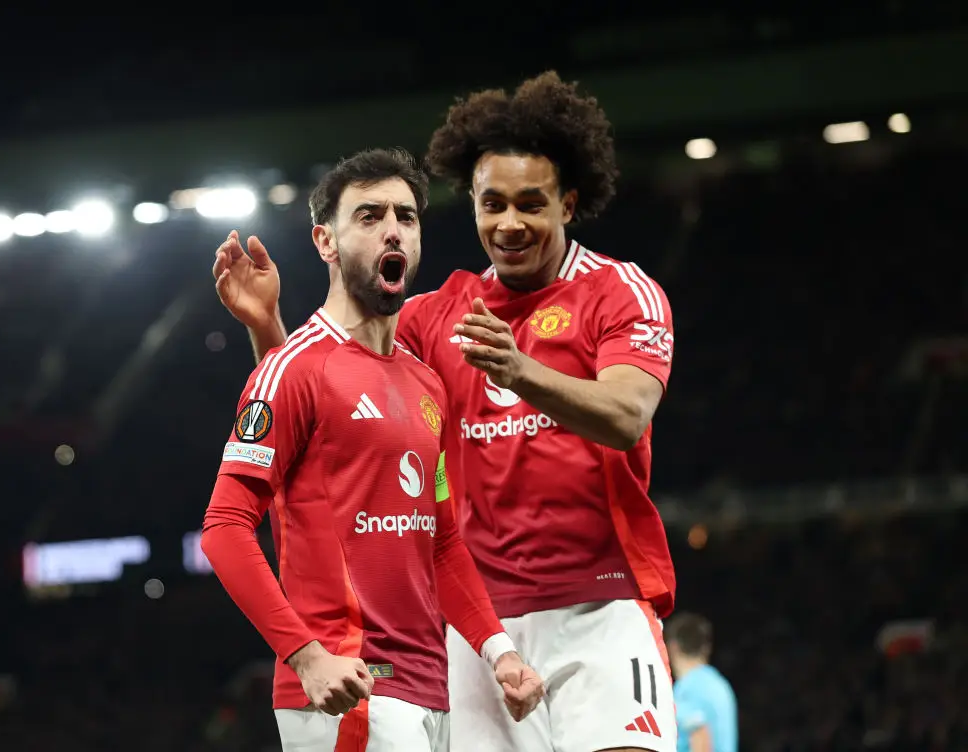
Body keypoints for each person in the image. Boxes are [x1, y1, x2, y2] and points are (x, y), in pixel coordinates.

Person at [213, 72, 678, 752]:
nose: (509, 223)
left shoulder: (618, 292)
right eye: (492, 204)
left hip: (598, 605)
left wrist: (518, 370)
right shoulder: (439, 314)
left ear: (568, 204)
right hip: (475, 629)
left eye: (531, 203)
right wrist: (268, 329)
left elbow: (628, 413)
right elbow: (331, 390)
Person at [201, 147, 544, 752]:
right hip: (350, 687)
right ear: (325, 242)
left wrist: (500, 651)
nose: (393, 229)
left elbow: (440, 542)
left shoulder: (426, 382)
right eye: (369, 216)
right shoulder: (294, 368)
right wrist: (306, 657)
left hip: (429, 692)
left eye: (406, 217)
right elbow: (225, 528)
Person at [666, 613, 737, 752]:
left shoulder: (688, 688)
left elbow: (699, 736)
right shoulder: (721, 685)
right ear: (706, 647)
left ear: (672, 646)